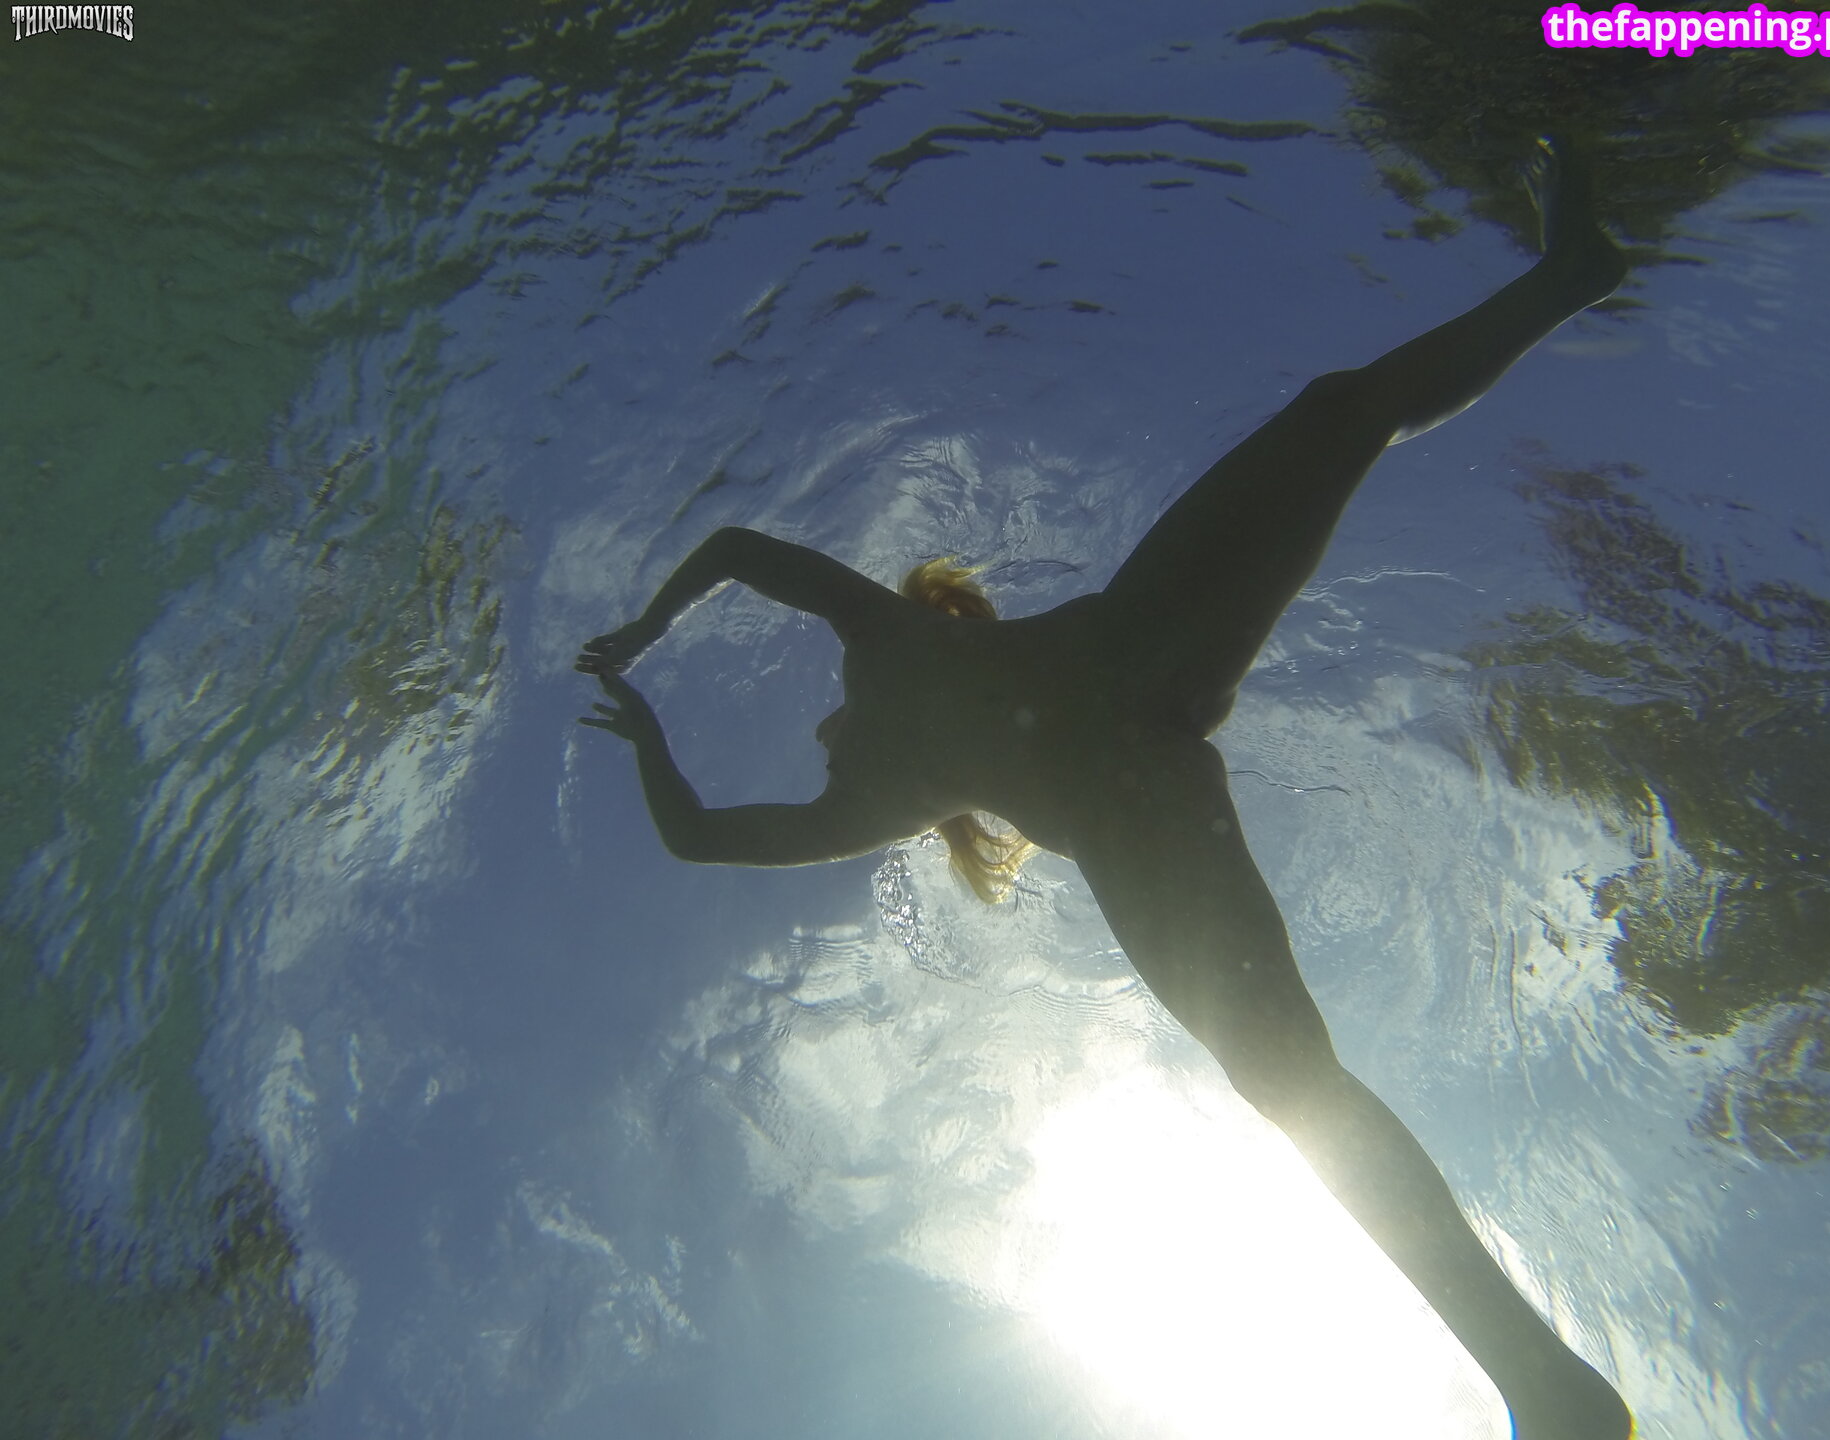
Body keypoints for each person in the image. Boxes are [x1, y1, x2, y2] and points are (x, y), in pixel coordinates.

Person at [577, 139, 1634, 1440]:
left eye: (821, 738)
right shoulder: (883, 803)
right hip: (1134, 797)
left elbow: (740, 550)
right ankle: (1544, 1385)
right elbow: (695, 836)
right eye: (825, 754)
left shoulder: (885, 641)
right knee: (1285, 1078)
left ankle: (1572, 273)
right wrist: (641, 720)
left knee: (1339, 412)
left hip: (1139, 662)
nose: (822, 744)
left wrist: (647, 636)